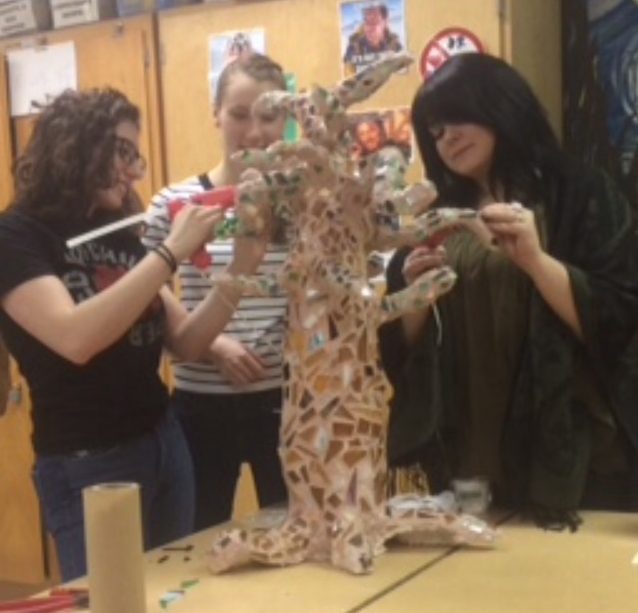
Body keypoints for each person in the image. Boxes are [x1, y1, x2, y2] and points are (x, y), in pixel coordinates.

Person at [0, 87, 265, 580]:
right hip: (88, 466)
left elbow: (184, 342)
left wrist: (243, 267)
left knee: (177, 595)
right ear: (75, 146)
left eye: (133, 155)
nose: (132, 170)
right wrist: (168, 253)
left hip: (164, 444)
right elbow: (75, 338)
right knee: (114, 602)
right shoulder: (17, 236)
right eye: (121, 152)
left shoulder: (117, 227)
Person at [380, 53, 638, 529]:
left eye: (457, 118)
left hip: (565, 449)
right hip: (466, 456)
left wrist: (535, 262)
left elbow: (619, 319)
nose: (447, 139)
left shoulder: (579, 194)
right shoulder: (437, 213)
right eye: (435, 132)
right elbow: (398, 346)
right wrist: (415, 294)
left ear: (499, 107)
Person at [143, 53, 288, 531]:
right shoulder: (174, 204)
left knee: (295, 532)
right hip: (201, 402)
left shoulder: (304, 202)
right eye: (239, 114)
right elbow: (147, 296)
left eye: (269, 116)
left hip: (286, 400)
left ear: (285, 119)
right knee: (198, 539)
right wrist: (212, 344)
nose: (254, 132)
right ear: (216, 113)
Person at [343, 3, 403, 75]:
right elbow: (346, 75)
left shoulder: (394, 42)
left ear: (385, 23)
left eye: (374, 22)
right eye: (366, 22)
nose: (369, 28)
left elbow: (402, 72)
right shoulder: (354, 44)